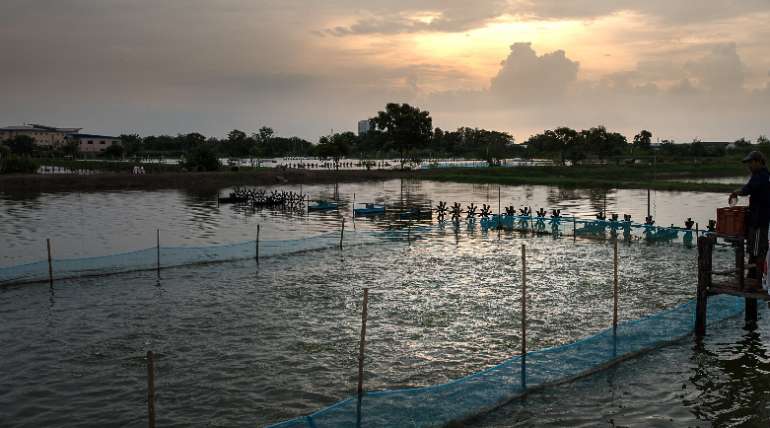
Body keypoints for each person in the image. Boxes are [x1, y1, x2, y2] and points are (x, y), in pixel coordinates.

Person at [730, 151, 770, 290]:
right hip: (755, 220)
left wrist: (736, 192)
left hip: (760, 222)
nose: (749, 166)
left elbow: (748, 189)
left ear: (758, 161)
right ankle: (751, 277)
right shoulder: (759, 175)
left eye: (750, 162)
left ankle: (759, 282)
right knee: (753, 250)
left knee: (759, 251)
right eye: (748, 163)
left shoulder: (762, 176)